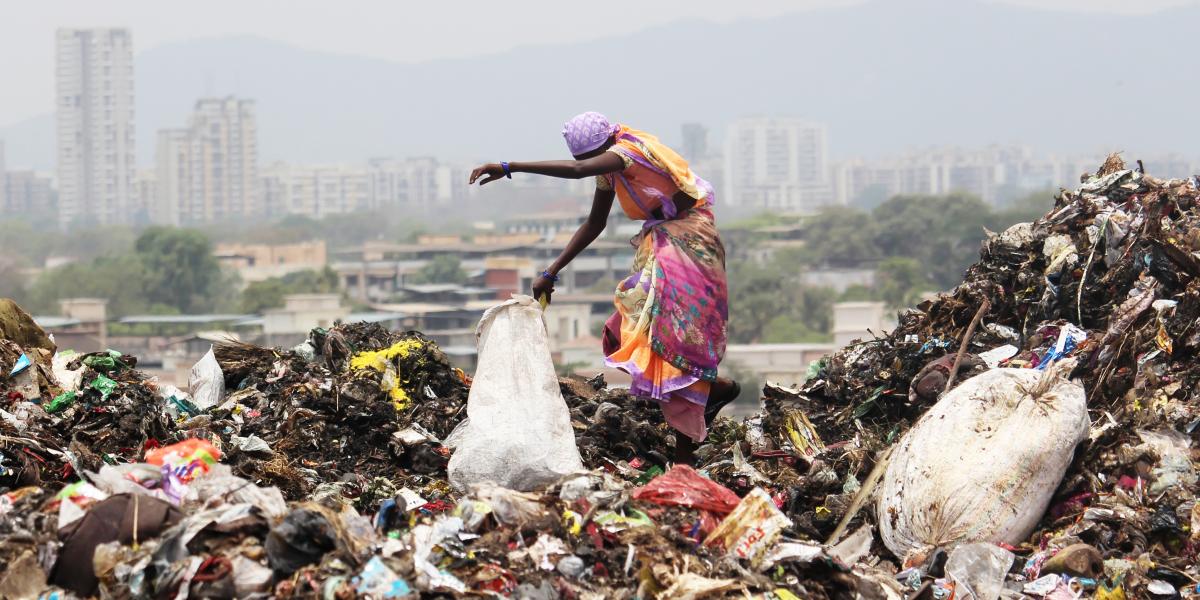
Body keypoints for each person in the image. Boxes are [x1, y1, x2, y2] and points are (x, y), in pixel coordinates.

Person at [469, 111, 739, 464]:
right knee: (642, 336)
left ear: (603, 147)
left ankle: (685, 460)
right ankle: (716, 392)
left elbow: (578, 169)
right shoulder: (611, 173)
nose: (592, 167)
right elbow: (594, 223)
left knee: (675, 341)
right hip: (663, 244)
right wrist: (551, 271)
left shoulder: (629, 152)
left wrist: (510, 167)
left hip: (690, 244)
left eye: (593, 160)